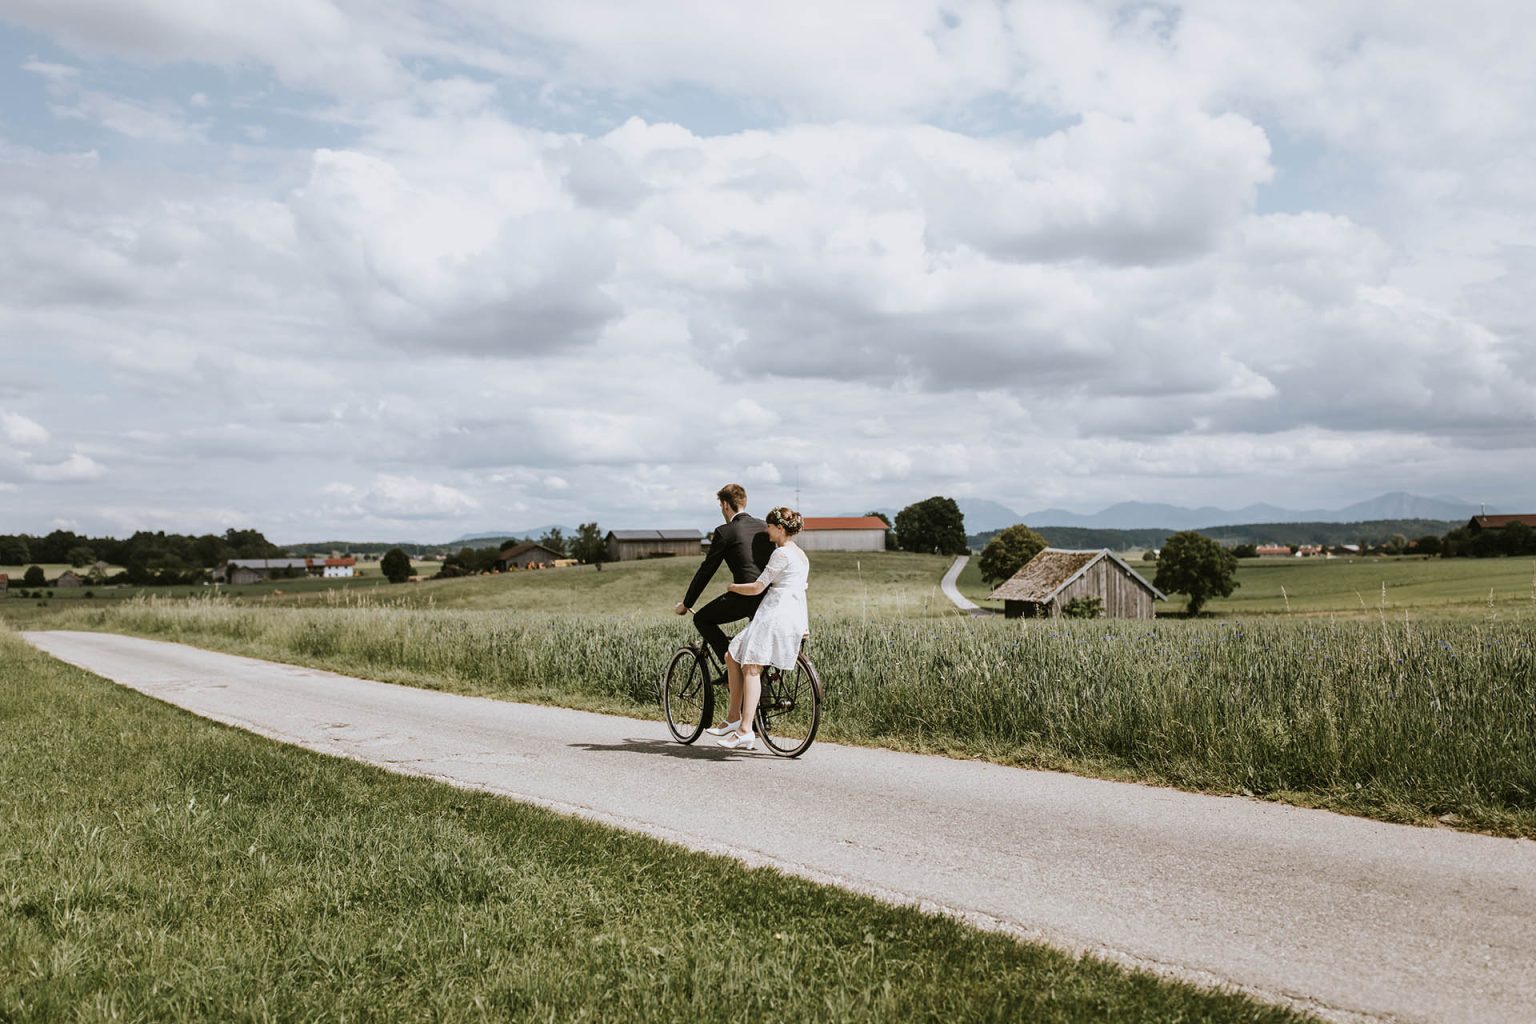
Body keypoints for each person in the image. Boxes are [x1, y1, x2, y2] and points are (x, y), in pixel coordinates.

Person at [712, 507, 809, 750]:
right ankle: (733, 717)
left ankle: (745, 729)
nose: (766, 531)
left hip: (775, 613)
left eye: (769, 526)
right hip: (792, 615)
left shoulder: (781, 554)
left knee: (751, 667)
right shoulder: (801, 555)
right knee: (731, 654)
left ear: (779, 529)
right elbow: (800, 590)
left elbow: (757, 587)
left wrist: (733, 587)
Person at [675, 483, 774, 691]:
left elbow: (707, 569)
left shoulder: (725, 532)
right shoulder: (763, 527)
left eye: (721, 506)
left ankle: (732, 667)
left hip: (745, 596)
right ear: (744, 502)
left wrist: (687, 603)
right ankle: (761, 718)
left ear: (725, 505)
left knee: (702, 618)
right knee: (757, 653)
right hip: (769, 597)